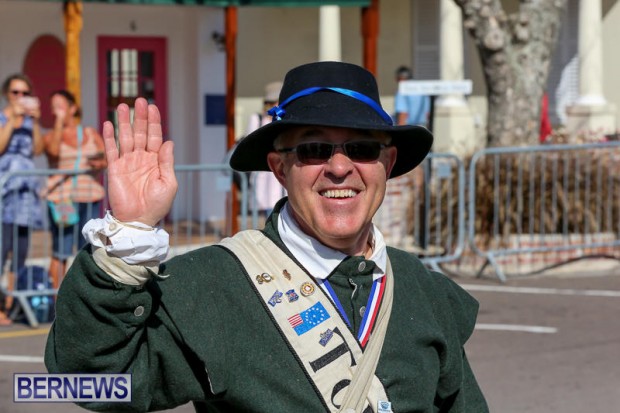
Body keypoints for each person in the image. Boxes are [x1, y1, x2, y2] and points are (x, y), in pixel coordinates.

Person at [45, 61, 488, 412]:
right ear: (279, 168)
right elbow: (87, 382)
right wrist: (129, 236)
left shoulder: (422, 291)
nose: (339, 167)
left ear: (386, 165)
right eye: (314, 149)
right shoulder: (211, 284)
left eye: (362, 148)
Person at [41, 90, 107, 290]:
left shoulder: (89, 133)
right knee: (60, 251)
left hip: (89, 197)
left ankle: (83, 296)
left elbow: (105, 159)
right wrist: (59, 122)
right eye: (53, 106)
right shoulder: (51, 136)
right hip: (63, 200)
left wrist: (99, 163)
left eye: (60, 105)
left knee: (88, 251)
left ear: (73, 108)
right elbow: (53, 152)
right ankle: (57, 299)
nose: (56, 110)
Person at [0, 73, 44, 326]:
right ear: (7, 94)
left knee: (20, 253)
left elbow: (37, 150)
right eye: (16, 92)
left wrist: (34, 121)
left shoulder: (29, 120)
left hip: (25, 197)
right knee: (1, 251)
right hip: (4, 194)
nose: (20, 97)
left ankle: (12, 304)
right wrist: (12, 120)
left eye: (25, 93)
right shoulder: (2, 117)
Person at [246, 81, 286, 217]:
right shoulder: (257, 119)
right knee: (268, 210)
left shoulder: (285, 119)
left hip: (281, 174)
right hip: (264, 172)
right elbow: (252, 144)